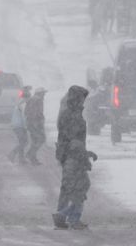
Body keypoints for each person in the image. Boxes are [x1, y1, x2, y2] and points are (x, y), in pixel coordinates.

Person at [54, 85, 90, 227]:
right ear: (77, 98)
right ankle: (67, 216)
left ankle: (63, 216)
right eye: (82, 98)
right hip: (74, 155)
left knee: (70, 187)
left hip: (69, 154)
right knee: (79, 186)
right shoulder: (72, 114)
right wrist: (84, 155)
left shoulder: (69, 113)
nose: (83, 101)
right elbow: (74, 139)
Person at [55, 139, 97, 230]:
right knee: (78, 205)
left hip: (80, 187)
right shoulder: (72, 162)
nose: (82, 152)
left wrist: (91, 155)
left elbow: (85, 158)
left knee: (77, 204)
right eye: (80, 150)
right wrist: (72, 187)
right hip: (76, 187)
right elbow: (69, 177)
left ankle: (65, 217)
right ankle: (70, 219)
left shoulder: (77, 159)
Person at [8, 86, 32, 164]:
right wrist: (26, 126)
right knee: (24, 142)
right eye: (29, 98)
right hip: (19, 125)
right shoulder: (23, 104)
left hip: (17, 125)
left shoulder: (19, 103)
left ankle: (21, 159)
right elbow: (24, 116)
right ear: (27, 97)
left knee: (22, 141)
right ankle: (12, 153)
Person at [25, 87, 48, 165]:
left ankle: (33, 158)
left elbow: (26, 111)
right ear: (40, 93)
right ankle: (30, 154)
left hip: (30, 123)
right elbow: (37, 113)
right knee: (41, 139)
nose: (44, 95)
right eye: (43, 93)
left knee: (35, 140)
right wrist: (37, 123)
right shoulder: (38, 100)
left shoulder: (31, 99)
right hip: (35, 123)